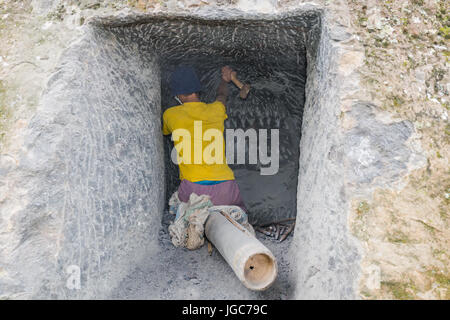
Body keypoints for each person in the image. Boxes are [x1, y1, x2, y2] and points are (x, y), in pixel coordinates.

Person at [162, 65, 246, 211]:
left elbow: (165, 132)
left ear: (179, 96)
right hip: (226, 189)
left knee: (177, 206)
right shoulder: (216, 110)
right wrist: (225, 80)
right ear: (197, 90)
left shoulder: (170, 115)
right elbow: (222, 96)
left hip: (194, 190)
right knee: (236, 215)